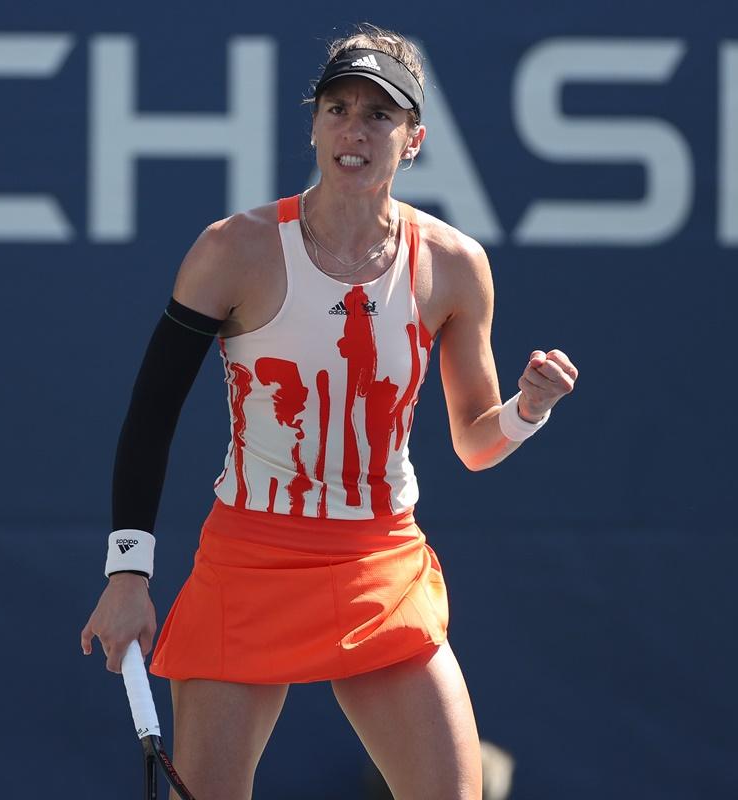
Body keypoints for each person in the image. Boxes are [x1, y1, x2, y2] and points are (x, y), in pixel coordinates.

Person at [81, 23, 578, 800]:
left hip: (380, 562)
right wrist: (127, 576)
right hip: (248, 557)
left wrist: (528, 408)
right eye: (338, 108)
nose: (355, 130)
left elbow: (477, 443)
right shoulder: (231, 250)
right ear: (312, 124)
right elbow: (151, 417)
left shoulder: (453, 266)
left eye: (379, 115)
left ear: (412, 140)